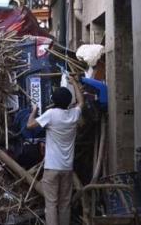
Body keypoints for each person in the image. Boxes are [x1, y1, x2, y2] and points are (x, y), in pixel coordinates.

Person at [27, 76, 84, 225]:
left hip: (52, 168)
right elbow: (81, 102)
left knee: (51, 204)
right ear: (68, 102)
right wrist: (74, 83)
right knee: (65, 204)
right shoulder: (74, 115)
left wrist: (34, 110)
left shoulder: (51, 115)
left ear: (54, 101)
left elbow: (30, 125)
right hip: (67, 169)